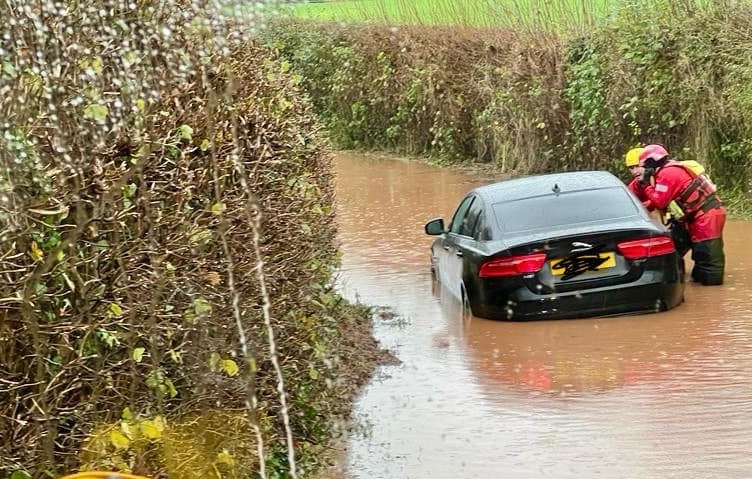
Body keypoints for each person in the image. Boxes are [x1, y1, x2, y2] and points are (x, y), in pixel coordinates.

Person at [636, 144, 726, 285]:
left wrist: (646, 185)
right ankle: (689, 281)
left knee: (708, 258)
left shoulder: (667, 174)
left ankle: (710, 288)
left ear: (650, 163)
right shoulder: (667, 172)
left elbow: (659, 201)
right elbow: (657, 200)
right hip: (695, 216)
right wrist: (639, 208)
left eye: (641, 166)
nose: (640, 170)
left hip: (707, 215)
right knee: (676, 245)